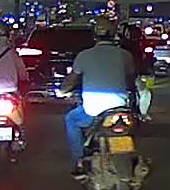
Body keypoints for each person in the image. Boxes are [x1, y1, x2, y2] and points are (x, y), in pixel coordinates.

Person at [60, 18, 136, 179]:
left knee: (71, 119)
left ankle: (79, 161)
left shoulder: (84, 56)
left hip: (93, 111)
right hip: (120, 109)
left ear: (94, 35)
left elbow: (71, 81)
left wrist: (62, 91)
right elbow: (131, 80)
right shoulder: (125, 55)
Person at [122, 24, 154, 120]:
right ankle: (143, 114)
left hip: (131, 75)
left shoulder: (138, 45)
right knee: (145, 93)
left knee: (145, 92)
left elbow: (144, 60)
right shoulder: (127, 47)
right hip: (127, 76)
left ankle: (142, 113)